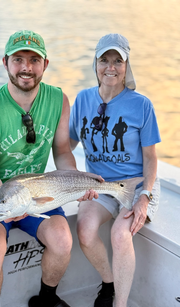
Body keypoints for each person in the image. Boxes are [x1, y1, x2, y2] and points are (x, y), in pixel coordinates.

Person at [0, 30, 99, 307]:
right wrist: (11, 202)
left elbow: (62, 151)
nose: (26, 67)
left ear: (45, 64)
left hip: (37, 188)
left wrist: (77, 182)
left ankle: (46, 298)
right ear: (5, 62)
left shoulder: (58, 99)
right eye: (18, 59)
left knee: (62, 241)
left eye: (34, 59)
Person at [69, 33, 161, 307]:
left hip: (135, 183)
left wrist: (145, 194)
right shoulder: (83, 99)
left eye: (117, 61)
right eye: (104, 60)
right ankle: (108, 283)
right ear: (95, 64)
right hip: (99, 184)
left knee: (120, 235)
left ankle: (119, 305)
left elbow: (151, 158)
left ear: (126, 66)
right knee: (84, 231)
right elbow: (65, 145)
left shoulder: (141, 104)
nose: (110, 67)